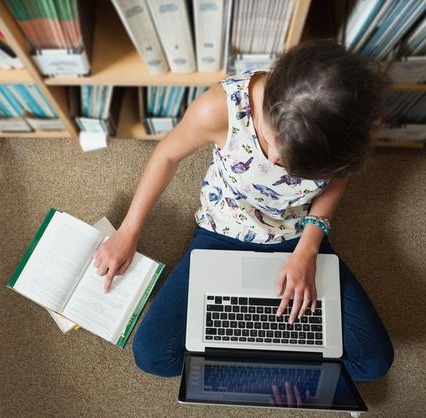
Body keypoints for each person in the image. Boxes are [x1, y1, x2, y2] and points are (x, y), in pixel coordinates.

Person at [93, 40, 394, 380]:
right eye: (274, 142)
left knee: (373, 362)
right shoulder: (220, 108)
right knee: (153, 356)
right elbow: (167, 155)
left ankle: (262, 361)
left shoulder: (348, 128)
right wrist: (129, 231)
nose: (278, 161)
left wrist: (307, 251)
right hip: (223, 231)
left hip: (299, 236)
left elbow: (338, 180)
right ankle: (280, 363)